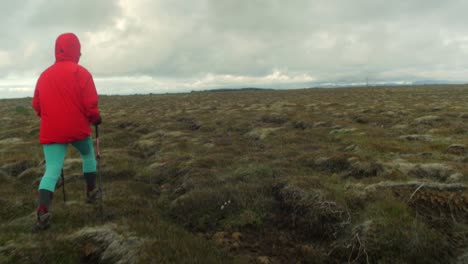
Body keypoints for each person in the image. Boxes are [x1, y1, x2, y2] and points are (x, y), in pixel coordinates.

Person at [32, 33, 102, 231]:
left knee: (52, 169)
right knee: (88, 155)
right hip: (77, 128)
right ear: (75, 51)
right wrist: (95, 118)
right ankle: (91, 192)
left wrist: (49, 117)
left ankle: (43, 211)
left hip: (52, 130)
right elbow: (90, 104)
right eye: (79, 51)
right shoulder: (82, 73)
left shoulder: (44, 75)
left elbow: (36, 104)